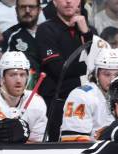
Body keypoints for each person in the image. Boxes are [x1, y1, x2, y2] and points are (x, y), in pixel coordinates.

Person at [36, 0, 93, 141]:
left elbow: (97, 64)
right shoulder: (45, 29)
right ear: (54, 2)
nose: (68, 2)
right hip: (56, 103)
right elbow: (59, 69)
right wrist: (86, 70)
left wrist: (86, 33)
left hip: (85, 103)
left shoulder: (86, 30)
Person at [0, 51, 47, 142]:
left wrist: (20, 140)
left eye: (22, 75)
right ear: (2, 77)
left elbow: (39, 144)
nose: (18, 80)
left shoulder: (36, 102)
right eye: (12, 75)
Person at [60, 48, 118, 142]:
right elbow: (74, 142)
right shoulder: (81, 96)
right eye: (107, 74)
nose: (113, 80)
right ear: (96, 74)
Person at [2, 0, 42, 82]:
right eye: (23, 7)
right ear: (16, 10)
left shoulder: (49, 32)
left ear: (39, 10)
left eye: (31, 7)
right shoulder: (10, 36)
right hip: (27, 86)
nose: (27, 11)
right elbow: (6, 68)